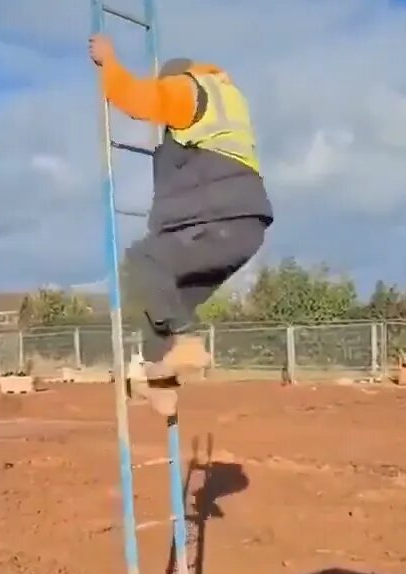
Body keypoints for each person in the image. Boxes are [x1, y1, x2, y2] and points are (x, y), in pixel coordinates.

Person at [88, 34, 274, 392]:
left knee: (143, 260)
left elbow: (138, 99)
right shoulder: (230, 102)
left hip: (217, 221)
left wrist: (108, 62)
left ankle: (188, 345)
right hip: (242, 227)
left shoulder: (189, 90)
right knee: (159, 303)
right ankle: (160, 383)